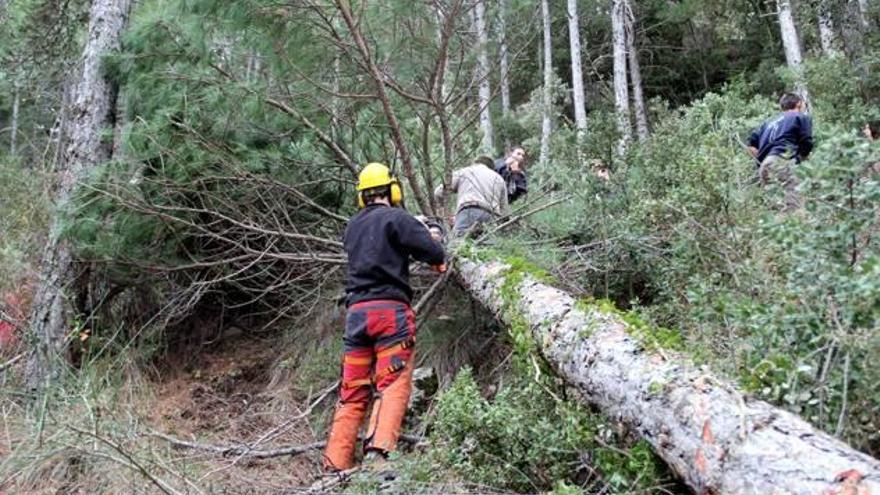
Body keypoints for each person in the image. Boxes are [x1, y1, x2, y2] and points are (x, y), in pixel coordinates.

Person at [323, 163, 446, 472]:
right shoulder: (398, 218)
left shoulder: (352, 227)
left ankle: (334, 463)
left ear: (363, 196)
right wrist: (432, 234)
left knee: (353, 391)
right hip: (389, 313)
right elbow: (435, 254)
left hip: (357, 316)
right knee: (391, 383)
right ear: (393, 190)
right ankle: (378, 454)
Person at [747, 93, 814, 211]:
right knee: (794, 208)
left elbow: (751, 146)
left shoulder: (768, 123)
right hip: (782, 161)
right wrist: (801, 158)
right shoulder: (800, 117)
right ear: (799, 103)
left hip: (765, 167)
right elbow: (806, 142)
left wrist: (763, 159)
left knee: (775, 210)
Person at [434, 156, 510, 237]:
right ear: (491, 167)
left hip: (468, 211)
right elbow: (505, 213)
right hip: (491, 216)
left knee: (459, 244)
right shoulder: (499, 179)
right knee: (488, 246)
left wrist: (446, 213)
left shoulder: (465, 172)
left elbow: (438, 192)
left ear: (474, 163)